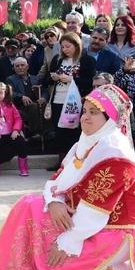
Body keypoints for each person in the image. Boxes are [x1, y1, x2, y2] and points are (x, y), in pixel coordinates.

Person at [0, 84, 135, 270]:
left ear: (111, 118)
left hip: (116, 232)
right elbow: (57, 178)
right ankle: (30, 263)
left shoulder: (116, 155)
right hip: (87, 218)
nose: (85, 118)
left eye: (93, 113)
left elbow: (96, 211)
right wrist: (55, 201)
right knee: (29, 204)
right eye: (84, 111)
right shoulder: (87, 142)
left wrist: (66, 242)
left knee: (55, 268)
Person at [42, 32, 96, 171]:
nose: (65, 49)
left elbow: (89, 81)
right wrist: (53, 78)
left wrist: (71, 79)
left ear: (76, 46)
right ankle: (61, 161)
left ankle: (77, 161)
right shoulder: (57, 60)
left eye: (68, 46)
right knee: (59, 131)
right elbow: (46, 79)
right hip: (58, 99)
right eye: (62, 46)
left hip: (76, 101)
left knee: (75, 131)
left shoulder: (86, 60)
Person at [5, 57, 41, 137]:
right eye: (17, 66)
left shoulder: (35, 78)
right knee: (34, 106)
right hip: (20, 107)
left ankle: (47, 133)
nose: (20, 67)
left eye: (22, 65)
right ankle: (35, 133)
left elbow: (44, 91)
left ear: (27, 67)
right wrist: (21, 96)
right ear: (14, 68)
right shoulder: (10, 79)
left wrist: (44, 98)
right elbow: (9, 93)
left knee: (45, 106)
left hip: (37, 104)